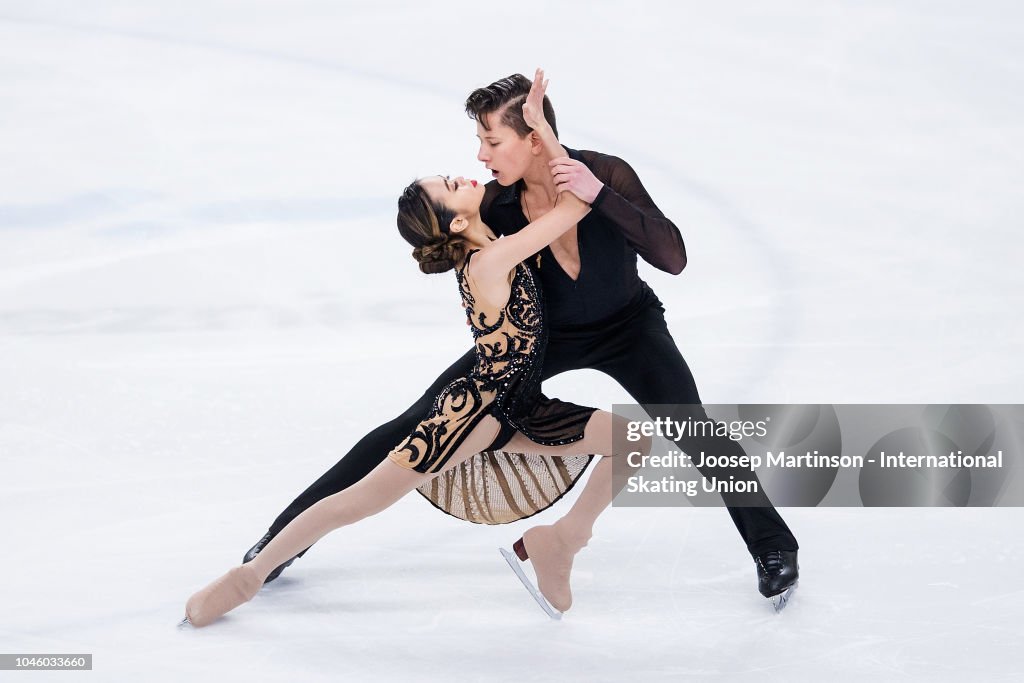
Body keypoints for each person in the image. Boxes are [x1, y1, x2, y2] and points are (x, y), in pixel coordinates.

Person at [243, 71, 800, 606]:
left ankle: (773, 547)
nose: (481, 157)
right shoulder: (493, 203)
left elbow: (673, 257)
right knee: (407, 424)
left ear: (534, 138)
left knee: (690, 425)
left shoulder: (604, 171)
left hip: (629, 326)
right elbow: (443, 238)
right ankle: (279, 543)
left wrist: (601, 194)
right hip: (539, 340)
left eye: (491, 140)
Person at [183, 72, 649, 627]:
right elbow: (574, 209)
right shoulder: (489, 261)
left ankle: (563, 542)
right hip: (474, 410)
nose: (462, 173)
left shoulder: (493, 245)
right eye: (450, 185)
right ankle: (249, 576)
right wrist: (542, 130)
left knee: (634, 439)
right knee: (360, 501)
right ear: (457, 219)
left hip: (520, 404)